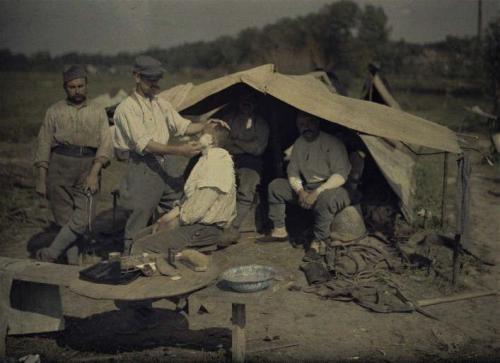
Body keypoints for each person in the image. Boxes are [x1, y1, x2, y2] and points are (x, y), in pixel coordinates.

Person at [113, 55, 219, 254]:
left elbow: (182, 126)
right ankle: (130, 258)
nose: (155, 84)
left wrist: (205, 125)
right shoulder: (126, 109)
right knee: (140, 214)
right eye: (150, 79)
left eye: (157, 79)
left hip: (165, 163)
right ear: (136, 77)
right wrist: (181, 151)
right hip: (142, 166)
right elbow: (146, 145)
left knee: (181, 204)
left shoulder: (160, 103)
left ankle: (168, 249)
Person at [35, 65, 113, 264]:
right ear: (65, 88)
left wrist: (94, 173)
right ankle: (72, 267)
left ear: (87, 85)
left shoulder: (97, 111)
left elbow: (105, 143)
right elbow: (44, 144)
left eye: (80, 86)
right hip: (59, 167)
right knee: (65, 221)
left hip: (89, 166)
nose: (77, 90)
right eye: (72, 87)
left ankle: (50, 253)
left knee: (83, 220)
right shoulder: (54, 111)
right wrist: (42, 179)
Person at [131, 121, 236, 254]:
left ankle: (161, 267)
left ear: (211, 140)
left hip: (204, 228)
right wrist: (166, 217)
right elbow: (190, 201)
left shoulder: (217, 163)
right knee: (139, 236)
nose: (199, 135)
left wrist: (172, 221)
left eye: (203, 133)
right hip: (193, 222)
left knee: (141, 246)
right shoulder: (206, 159)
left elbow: (197, 210)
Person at [259, 111, 352, 255]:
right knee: (276, 186)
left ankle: (319, 241)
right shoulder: (299, 143)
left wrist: (318, 192)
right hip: (309, 187)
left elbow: (340, 175)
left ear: (317, 123)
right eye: (302, 124)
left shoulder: (332, 143)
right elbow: (293, 171)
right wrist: (300, 191)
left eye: (310, 122)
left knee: (326, 201)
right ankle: (280, 230)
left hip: (335, 187)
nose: (306, 127)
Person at [222, 91, 269, 239]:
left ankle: (233, 227)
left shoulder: (261, 124)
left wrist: (235, 141)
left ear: (255, 104)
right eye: (243, 101)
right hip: (227, 158)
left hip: (251, 162)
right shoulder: (228, 120)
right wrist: (246, 145)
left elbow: (257, 149)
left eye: (250, 101)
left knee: (247, 188)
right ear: (238, 102)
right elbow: (222, 143)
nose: (246, 104)